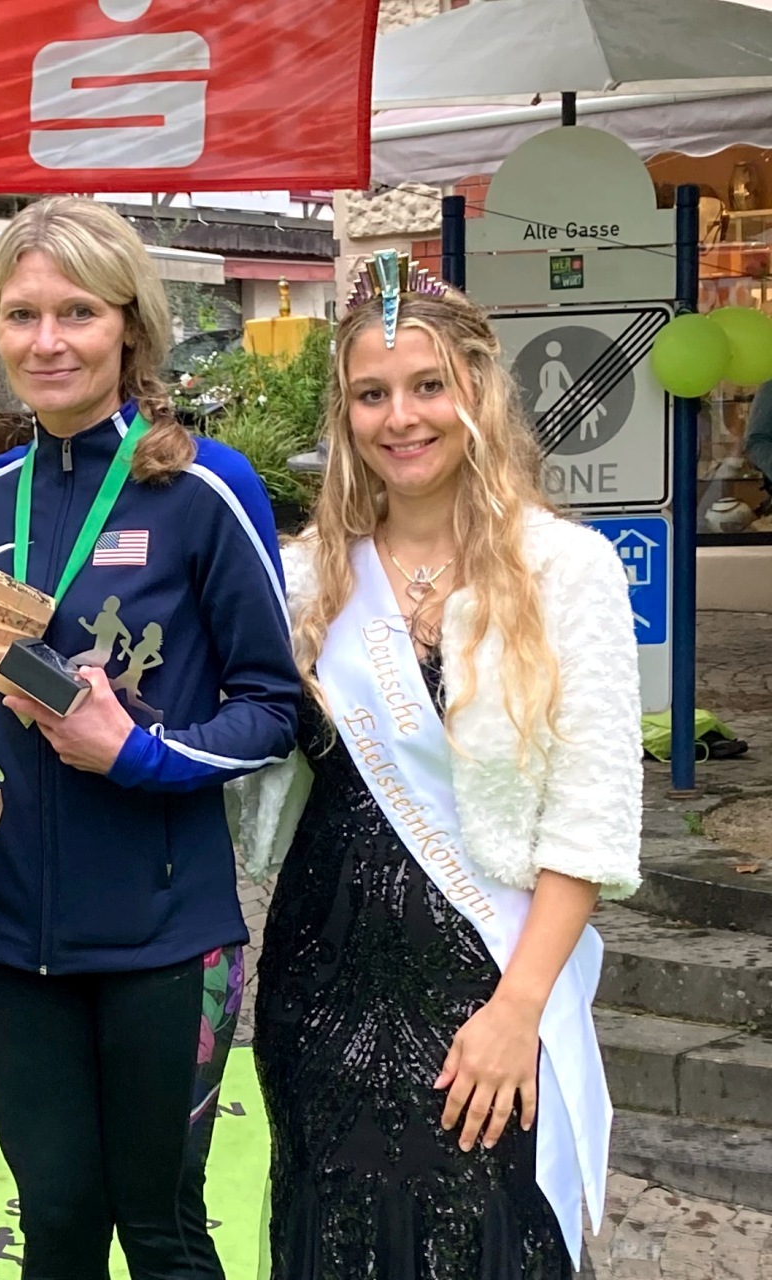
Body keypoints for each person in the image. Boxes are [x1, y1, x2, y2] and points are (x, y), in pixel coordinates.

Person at [237, 253, 641, 1278]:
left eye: (428, 387)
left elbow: (589, 819)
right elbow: (252, 762)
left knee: (484, 1234)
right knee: (334, 1231)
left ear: (477, 393)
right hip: (320, 973)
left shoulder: (567, 571)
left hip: (486, 978)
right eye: (371, 393)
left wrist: (518, 1008)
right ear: (346, 413)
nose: (399, 417)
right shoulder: (306, 575)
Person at [0, 196, 300, 1279]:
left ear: (128, 327)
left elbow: (277, 705)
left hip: (170, 939)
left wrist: (139, 754)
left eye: (76, 312)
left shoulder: (202, 485)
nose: (47, 341)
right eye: (21, 315)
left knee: (159, 1226)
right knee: (55, 1222)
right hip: (15, 940)